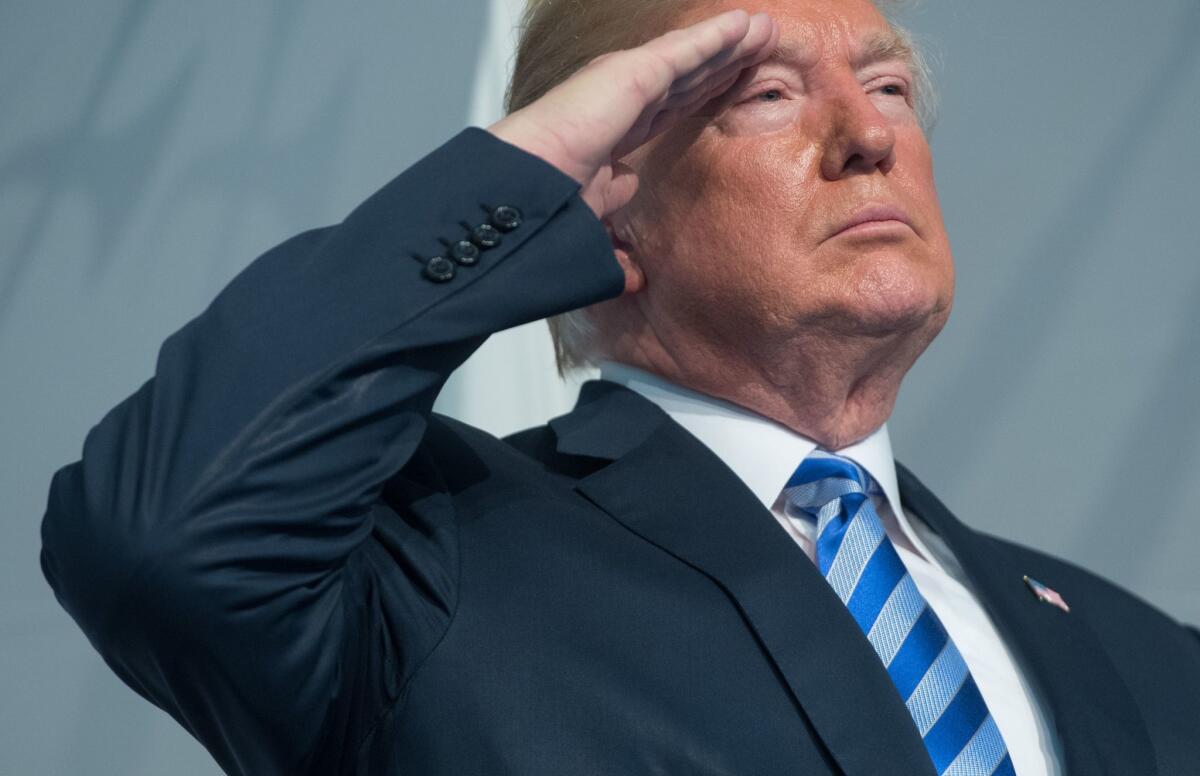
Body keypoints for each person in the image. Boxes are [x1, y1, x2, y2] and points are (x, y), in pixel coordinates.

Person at [39, 0, 1200, 774]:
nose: (868, 136)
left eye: (890, 86)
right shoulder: (434, 570)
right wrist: (523, 180)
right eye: (769, 96)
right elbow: (162, 536)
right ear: (606, 190)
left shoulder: (1146, 651)